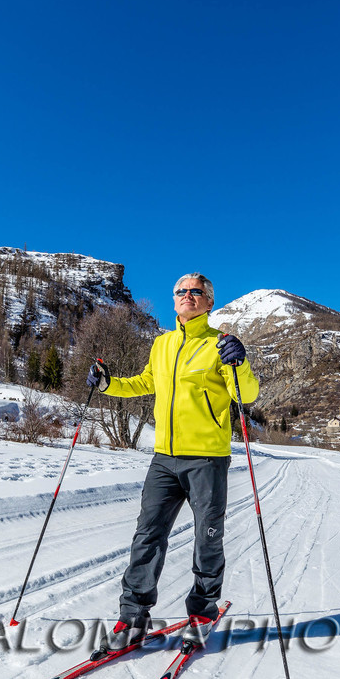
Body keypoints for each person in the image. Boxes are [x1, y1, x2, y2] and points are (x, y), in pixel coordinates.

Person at [87, 272, 258, 652]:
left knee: (207, 538)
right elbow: (145, 382)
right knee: (147, 536)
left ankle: (202, 614)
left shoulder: (219, 345)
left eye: (196, 291)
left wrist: (241, 363)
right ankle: (133, 619)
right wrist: (107, 384)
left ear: (209, 302)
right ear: (174, 299)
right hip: (164, 459)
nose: (187, 295)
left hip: (207, 459)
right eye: (181, 290)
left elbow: (245, 394)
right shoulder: (162, 344)